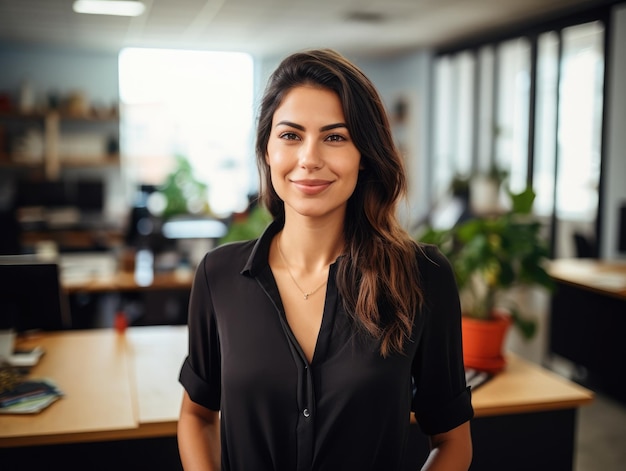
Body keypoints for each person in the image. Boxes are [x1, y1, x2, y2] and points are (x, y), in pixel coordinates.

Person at [178, 48, 474, 471]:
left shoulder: (422, 277)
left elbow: (452, 441)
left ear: (364, 157)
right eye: (290, 135)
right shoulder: (218, 275)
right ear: (266, 150)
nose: (309, 158)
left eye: (335, 137)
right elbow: (196, 414)